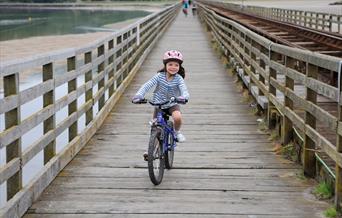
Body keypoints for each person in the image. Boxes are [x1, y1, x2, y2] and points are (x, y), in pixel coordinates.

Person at [132, 50, 190, 145]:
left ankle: (176, 132)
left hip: (172, 103)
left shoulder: (179, 78)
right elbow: (147, 85)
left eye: (176, 65)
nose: (173, 67)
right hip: (159, 104)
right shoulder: (159, 76)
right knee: (155, 126)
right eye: (170, 64)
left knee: (178, 117)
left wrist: (184, 97)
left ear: (179, 67)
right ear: (165, 65)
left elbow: (184, 90)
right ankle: (152, 149)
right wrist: (139, 95)